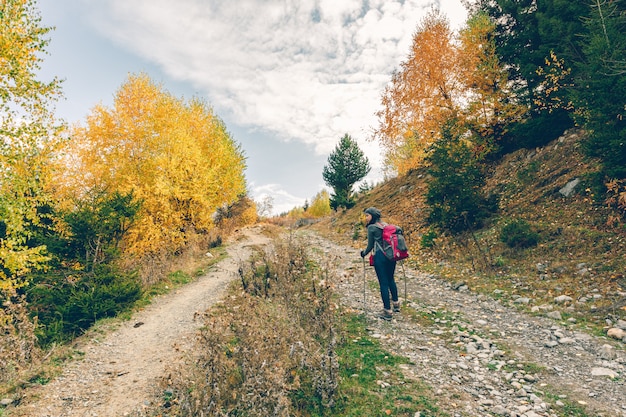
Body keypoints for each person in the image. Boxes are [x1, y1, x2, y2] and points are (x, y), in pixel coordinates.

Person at [360, 207, 400, 321]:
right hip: (391, 256)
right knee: (391, 279)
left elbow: (370, 246)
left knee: (383, 283)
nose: (366, 218)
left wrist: (363, 253)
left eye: (367, 215)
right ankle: (396, 304)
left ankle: (387, 312)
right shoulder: (386, 225)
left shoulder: (372, 228)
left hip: (380, 257)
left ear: (372, 216)